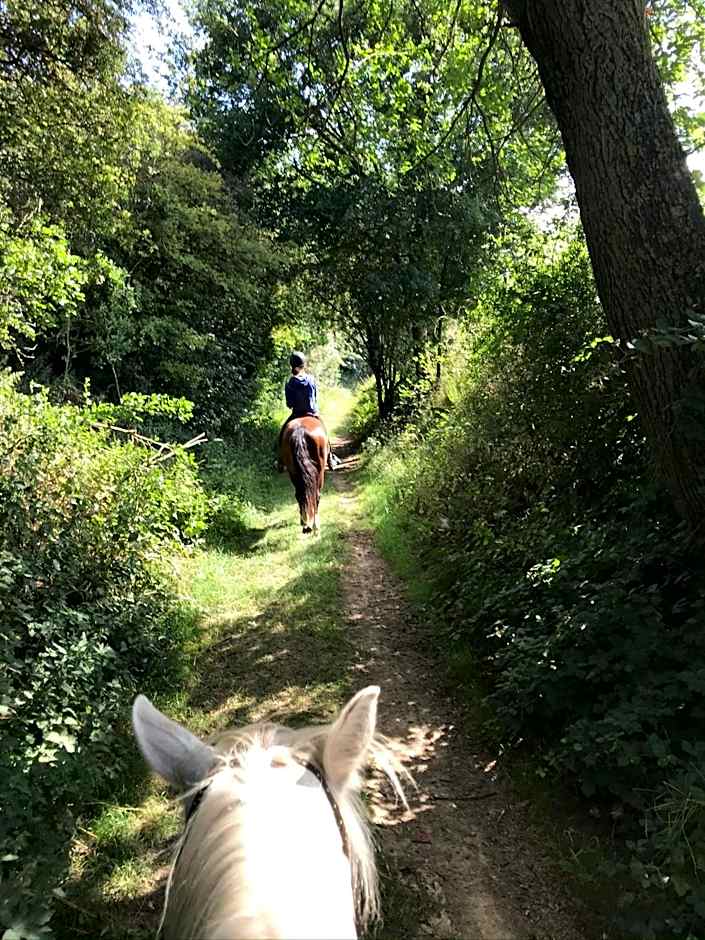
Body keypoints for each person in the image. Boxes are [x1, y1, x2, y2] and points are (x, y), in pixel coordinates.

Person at [278, 351, 339, 471]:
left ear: (292, 365)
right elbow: (314, 399)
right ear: (303, 364)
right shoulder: (311, 379)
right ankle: (330, 457)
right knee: (324, 432)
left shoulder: (290, 382)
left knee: (282, 434)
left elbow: (289, 404)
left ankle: (281, 461)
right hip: (312, 414)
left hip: (296, 415)